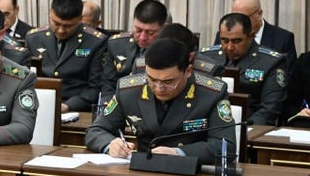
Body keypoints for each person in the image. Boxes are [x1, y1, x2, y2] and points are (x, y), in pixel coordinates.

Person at [86, 38, 235, 161]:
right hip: (143, 169)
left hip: (189, 173)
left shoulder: (212, 93)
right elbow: (96, 130)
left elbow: (225, 146)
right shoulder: (128, 90)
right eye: (152, 79)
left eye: (168, 82)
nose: (158, 88)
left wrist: (178, 153)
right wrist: (111, 145)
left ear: (188, 71)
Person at [196, 13, 287, 125]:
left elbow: (270, 108)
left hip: (249, 126)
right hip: (208, 125)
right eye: (224, 40)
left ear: (251, 36)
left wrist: (243, 129)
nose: (229, 47)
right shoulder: (206, 57)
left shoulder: (271, 62)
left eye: (236, 41)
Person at [23, 0, 108, 112]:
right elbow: (26, 79)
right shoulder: (34, 38)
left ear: (80, 19)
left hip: (77, 108)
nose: (61, 30)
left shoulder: (95, 41)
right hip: (39, 105)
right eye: (56, 23)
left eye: (68, 26)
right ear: (50, 13)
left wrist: (69, 106)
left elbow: (95, 87)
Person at [100, 0, 169, 98]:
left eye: (150, 33)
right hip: (120, 100)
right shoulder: (116, 44)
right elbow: (108, 83)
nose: (142, 37)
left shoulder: (172, 49)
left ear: (164, 28)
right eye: (138, 30)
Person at [219, 0, 297, 70]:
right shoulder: (225, 36)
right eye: (234, 17)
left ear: (259, 14)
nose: (237, 22)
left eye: (243, 18)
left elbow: (288, 74)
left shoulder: (283, 39)